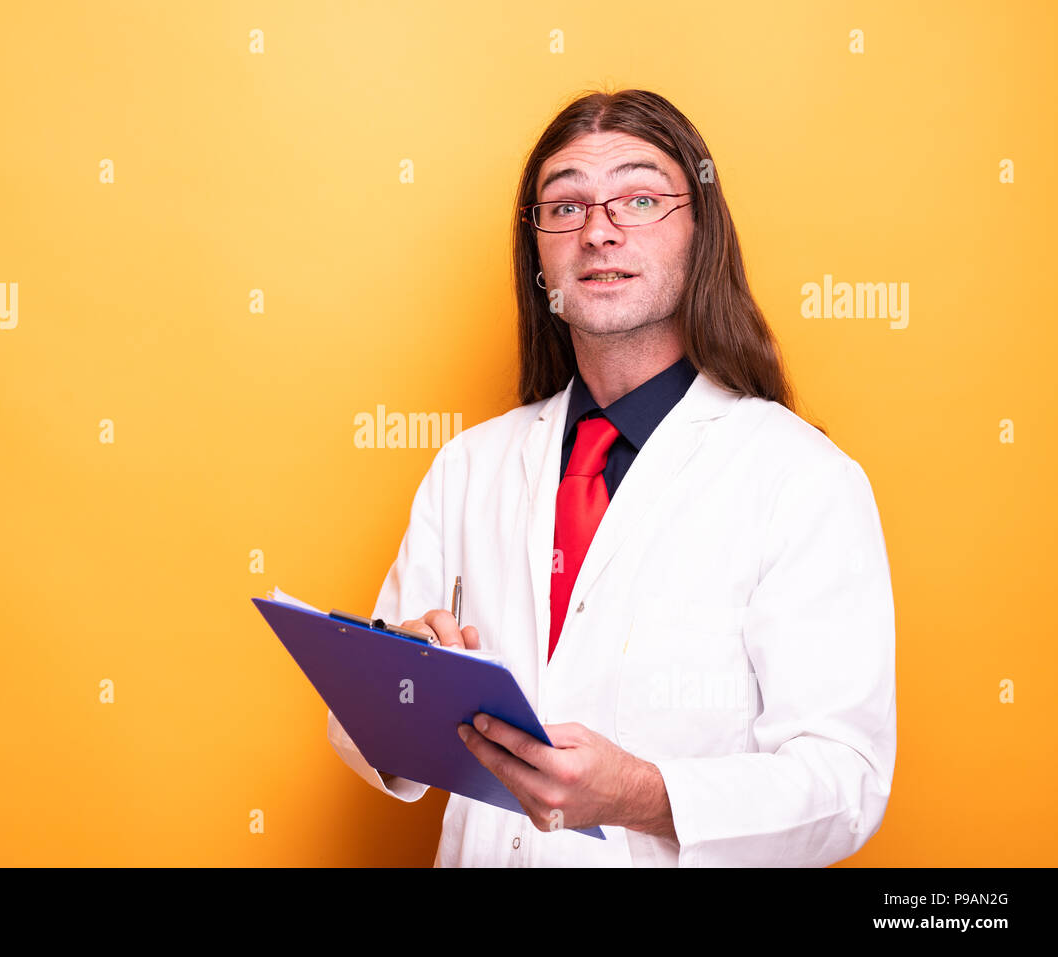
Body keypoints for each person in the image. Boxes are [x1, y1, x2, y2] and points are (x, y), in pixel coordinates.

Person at [326, 89, 896, 867]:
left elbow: (845, 781)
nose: (599, 230)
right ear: (537, 251)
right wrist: (402, 688)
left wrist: (645, 794)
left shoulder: (801, 479)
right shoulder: (468, 467)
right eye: (565, 206)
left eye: (639, 197)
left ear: (701, 232)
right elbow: (362, 732)